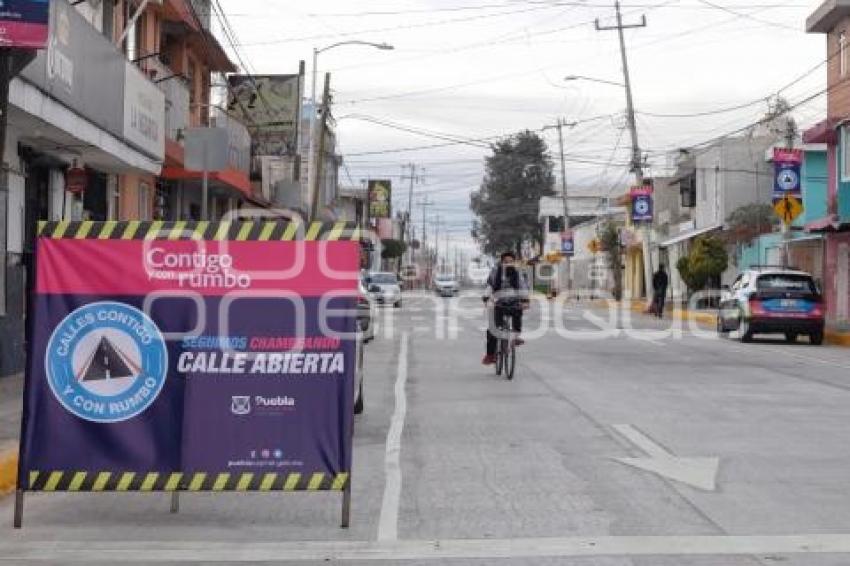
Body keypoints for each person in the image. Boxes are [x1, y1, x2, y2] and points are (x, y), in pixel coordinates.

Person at [482, 251, 529, 365]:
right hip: (498, 302)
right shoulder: (495, 271)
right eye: (505, 262)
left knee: (518, 314)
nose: (508, 264)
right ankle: (491, 355)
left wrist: (525, 300)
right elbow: (490, 286)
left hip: (513, 301)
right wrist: (487, 298)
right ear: (501, 262)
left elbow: (523, 286)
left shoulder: (518, 273)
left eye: (511, 262)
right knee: (493, 329)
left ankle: (515, 337)